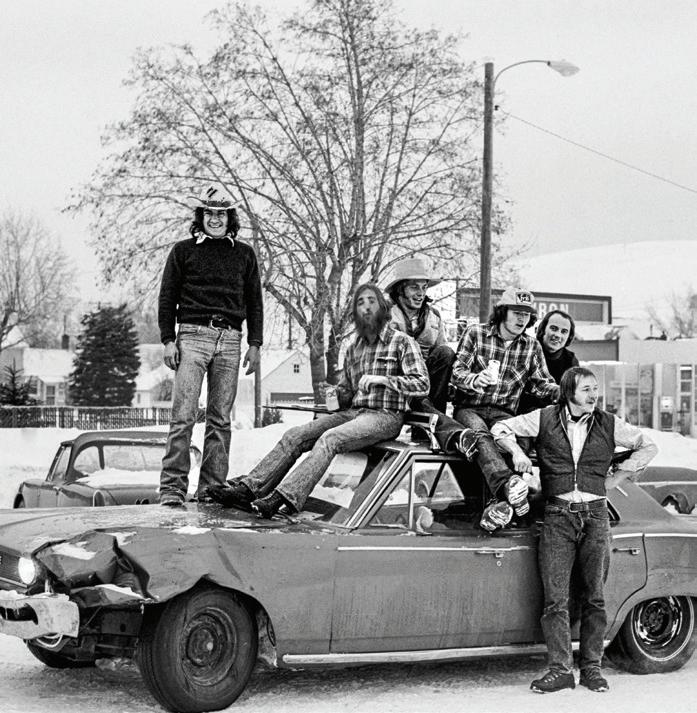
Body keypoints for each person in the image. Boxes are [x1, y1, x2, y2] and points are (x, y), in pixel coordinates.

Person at [491, 366, 657, 694]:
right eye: (586, 389)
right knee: (556, 599)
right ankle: (560, 670)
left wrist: (617, 478)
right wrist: (518, 452)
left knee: (595, 597)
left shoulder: (609, 423)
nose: (594, 395)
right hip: (557, 516)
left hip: (596, 516)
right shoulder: (544, 418)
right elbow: (500, 428)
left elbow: (648, 446)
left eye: (595, 388)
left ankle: (592, 669)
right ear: (569, 392)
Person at [209, 282, 429, 518]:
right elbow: (346, 394)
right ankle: (249, 489)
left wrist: (383, 380)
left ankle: (281, 498)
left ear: (383, 309)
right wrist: (334, 394)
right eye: (360, 303)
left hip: (385, 416)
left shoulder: (402, 342)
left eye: (371, 302)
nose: (366, 308)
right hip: (354, 413)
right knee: (295, 436)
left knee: (330, 439)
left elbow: (422, 384)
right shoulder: (354, 349)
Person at [158, 183, 263, 507]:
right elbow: (167, 297)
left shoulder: (244, 254)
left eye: (221, 214)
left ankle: (211, 490)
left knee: (220, 419)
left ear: (230, 218)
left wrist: (255, 343)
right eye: (209, 213)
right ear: (200, 216)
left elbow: (254, 302)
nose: (215, 219)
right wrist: (168, 340)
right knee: (183, 415)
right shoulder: (183, 251)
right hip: (192, 336)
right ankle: (172, 489)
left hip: (230, 340)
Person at [446, 287, 560, 530]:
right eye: (517, 313)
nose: (522, 319)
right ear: (502, 312)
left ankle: (499, 504)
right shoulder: (475, 333)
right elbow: (456, 373)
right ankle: (508, 486)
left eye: (526, 314)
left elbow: (541, 384)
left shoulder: (531, 346)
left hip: (504, 413)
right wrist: (475, 379)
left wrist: (563, 392)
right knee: (479, 435)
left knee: (512, 442)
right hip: (470, 407)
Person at [384, 257, 455, 413]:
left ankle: (432, 413)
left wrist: (450, 382)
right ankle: (427, 411)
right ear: (400, 289)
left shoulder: (434, 316)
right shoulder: (385, 315)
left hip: (427, 383)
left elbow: (443, 353)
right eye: (414, 287)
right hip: (397, 378)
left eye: (424, 287)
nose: (421, 293)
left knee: (446, 352)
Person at [518, 309, 579, 413]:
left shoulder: (571, 361)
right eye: (554, 329)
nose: (558, 335)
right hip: (522, 414)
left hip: (554, 415)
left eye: (564, 331)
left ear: (569, 336)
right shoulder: (526, 350)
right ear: (543, 330)